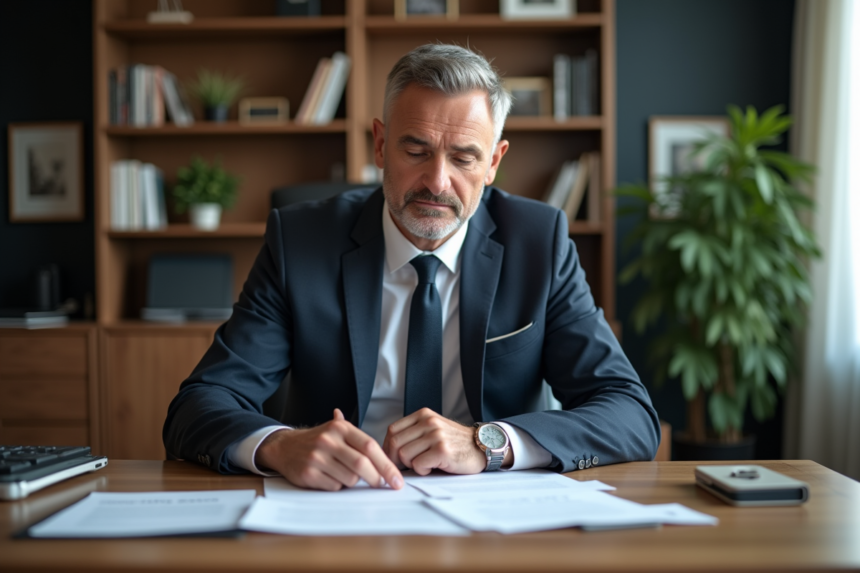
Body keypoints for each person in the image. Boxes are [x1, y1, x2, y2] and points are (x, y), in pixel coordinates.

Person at [163, 44, 660, 492]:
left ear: (493, 162)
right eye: (416, 150)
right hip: (338, 506)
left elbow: (629, 412)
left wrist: (489, 443)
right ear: (380, 145)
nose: (437, 182)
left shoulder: (539, 242)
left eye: (464, 157)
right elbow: (198, 405)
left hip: (495, 509)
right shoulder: (300, 243)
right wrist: (277, 445)